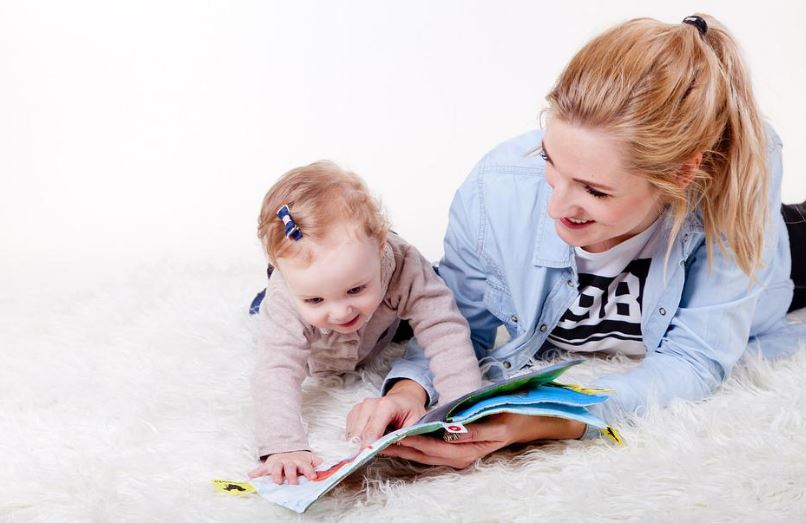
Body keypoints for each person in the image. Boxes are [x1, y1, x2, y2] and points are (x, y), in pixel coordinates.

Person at [346, 14, 806, 468]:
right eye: (550, 161)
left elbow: (695, 359)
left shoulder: (736, 181)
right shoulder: (495, 192)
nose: (555, 206)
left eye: (595, 190)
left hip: (781, 256)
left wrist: (552, 420)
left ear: (683, 173)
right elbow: (456, 321)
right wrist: (409, 389)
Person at [247, 160, 482, 484]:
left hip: (381, 325)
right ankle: (268, 300)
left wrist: (466, 407)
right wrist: (283, 446)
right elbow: (275, 370)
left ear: (381, 244)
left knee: (436, 292)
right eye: (315, 299)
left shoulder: (402, 263)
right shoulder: (285, 298)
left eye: (355, 289)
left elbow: (444, 328)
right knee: (266, 314)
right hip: (317, 342)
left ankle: (378, 297)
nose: (341, 312)